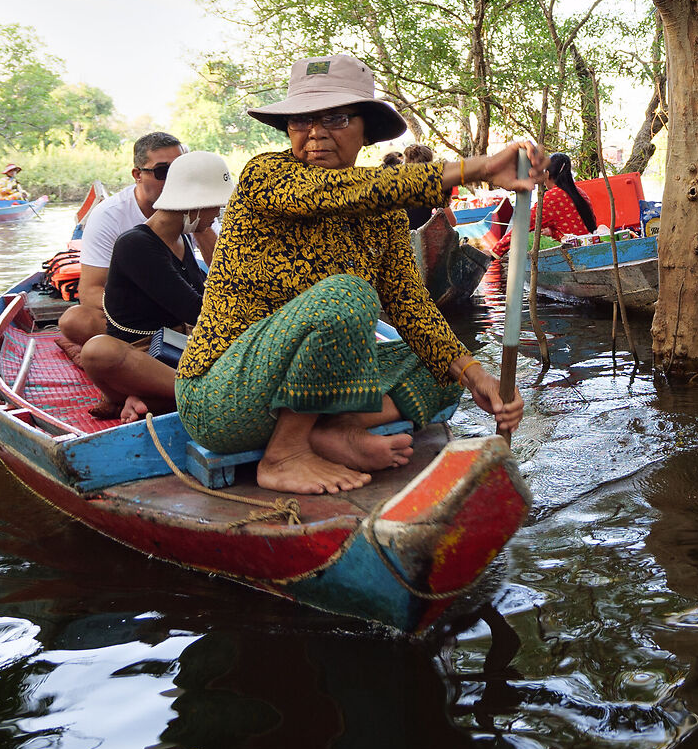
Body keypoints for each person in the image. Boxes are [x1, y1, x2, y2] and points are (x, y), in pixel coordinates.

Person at [173, 52, 536, 496]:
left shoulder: (381, 213)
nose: (315, 135)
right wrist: (472, 168)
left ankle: (331, 430)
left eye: (337, 119)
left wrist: (478, 376)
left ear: (366, 130)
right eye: (301, 122)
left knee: (441, 373)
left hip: (309, 394)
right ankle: (285, 454)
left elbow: (410, 306)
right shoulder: (266, 176)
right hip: (226, 396)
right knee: (348, 295)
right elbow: (331, 195)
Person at [73, 150, 238, 422]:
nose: (217, 214)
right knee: (99, 350)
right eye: (215, 206)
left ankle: (150, 401)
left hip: (179, 345)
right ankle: (199, 392)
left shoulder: (182, 239)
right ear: (194, 204)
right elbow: (197, 310)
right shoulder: (136, 244)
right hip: (140, 353)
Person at [59, 132, 208, 346]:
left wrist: (200, 224)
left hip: (185, 309)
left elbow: (221, 265)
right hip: (141, 315)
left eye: (181, 171)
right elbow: (90, 292)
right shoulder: (109, 215)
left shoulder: (198, 210)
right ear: (137, 174)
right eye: (163, 172)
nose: (175, 181)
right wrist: (145, 305)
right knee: (76, 320)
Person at [488, 149, 595, 257]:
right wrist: (552, 231)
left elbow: (523, 225)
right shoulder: (580, 192)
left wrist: (495, 252)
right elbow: (576, 226)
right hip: (591, 248)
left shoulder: (551, 198)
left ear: (547, 174)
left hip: (575, 254)